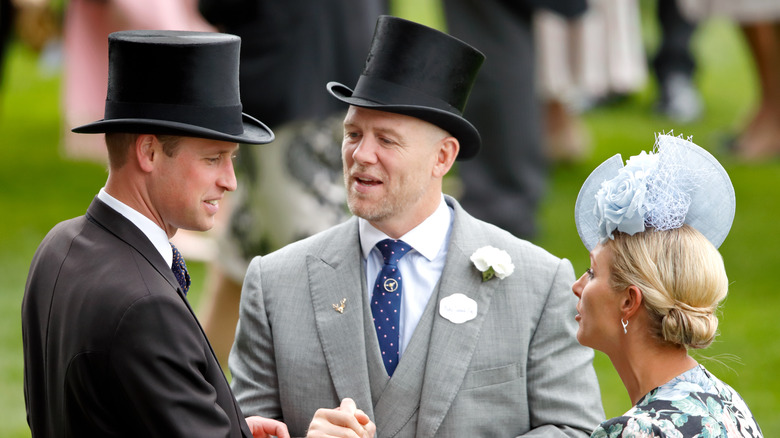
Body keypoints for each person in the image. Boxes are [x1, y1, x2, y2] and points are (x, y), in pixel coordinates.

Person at [230, 15, 604, 437]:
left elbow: (577, 430)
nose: (361, 155)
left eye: (386, 140)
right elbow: (242, 430)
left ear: (443, 157)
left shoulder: (538, 283)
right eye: (353, 134)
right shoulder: (274, 283)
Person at [21, 30, 288, 438]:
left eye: (232, 160)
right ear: (148, 152)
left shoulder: (57, 248)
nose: (230, 181)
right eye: (213, 158)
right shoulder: (146, 308)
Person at [195, 0, 385, 365]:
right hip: (304, 79)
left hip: (315, 72)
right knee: (304, 267)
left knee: (288, 264)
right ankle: (182, 396)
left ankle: (185, 395)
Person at [572, 134, 763, 437]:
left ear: (629, 301)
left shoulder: (640, 431)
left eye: (592, 273)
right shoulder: (726, 401)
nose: (577, 286)